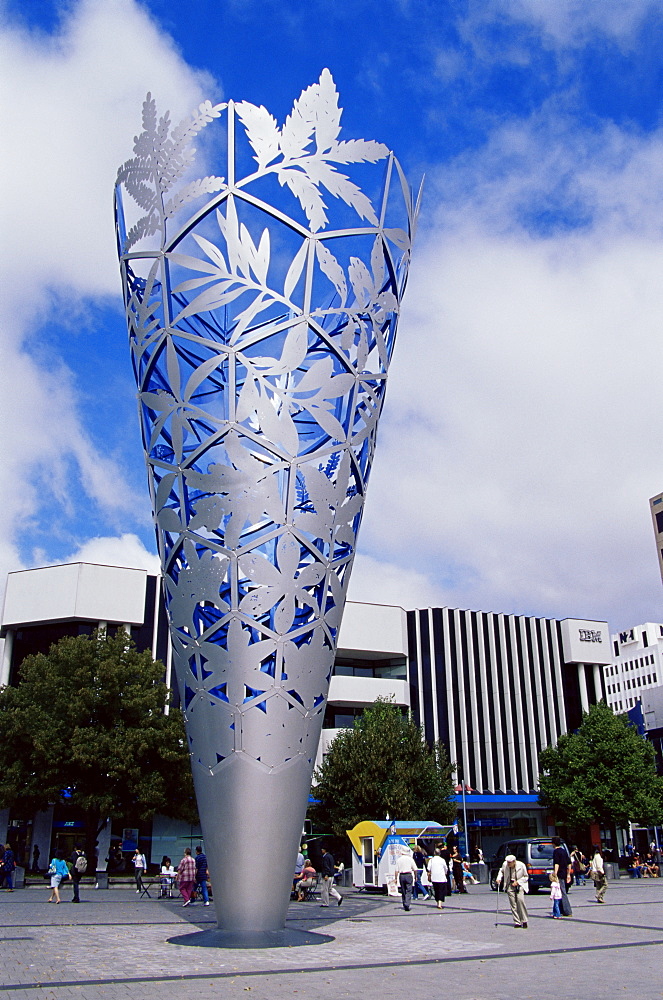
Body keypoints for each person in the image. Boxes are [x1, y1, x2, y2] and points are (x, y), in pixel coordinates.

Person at [496, 853, 529, 928]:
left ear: (514, 861)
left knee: (520, 901)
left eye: (510, 862)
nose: (508, 864)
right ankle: (517, 922)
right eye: (507, 862)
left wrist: (518, 882)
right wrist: (499, 878)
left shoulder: (521, 865)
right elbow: (501, 871)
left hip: (519, 885)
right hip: (509, 885)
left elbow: (526, 876)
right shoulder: (505, 864)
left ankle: (524, 920)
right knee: (513, 904)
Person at [552, 836, 573, 916]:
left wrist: (555, 873)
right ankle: (561, 910)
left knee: (562, 892)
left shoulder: (556, 852)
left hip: (559, 874)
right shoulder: (564, 851)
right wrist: (568, 874)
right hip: (564, 873)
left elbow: (556, 863)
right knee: (561, 891)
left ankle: (567, 911)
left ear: (553, 843)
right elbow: (569, 863)